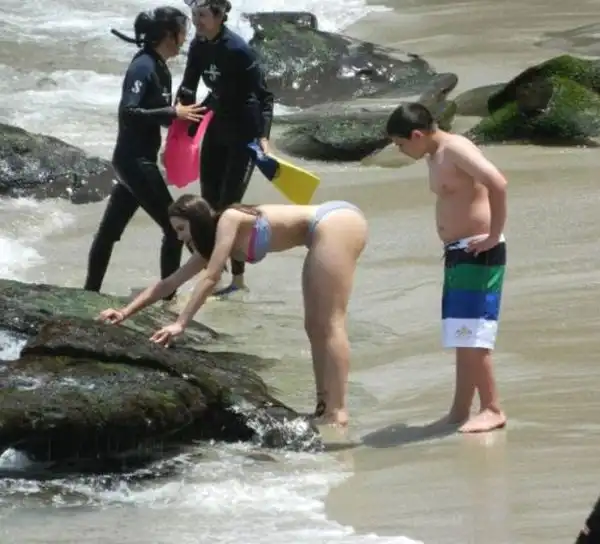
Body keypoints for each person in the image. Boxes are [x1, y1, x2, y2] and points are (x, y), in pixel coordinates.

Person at [97, 194, 368, 426]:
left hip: (334, 222)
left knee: (329, 324)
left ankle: (337, 412)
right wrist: (124, 312)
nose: (179, 237)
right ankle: (324, 408)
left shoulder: (229, 219)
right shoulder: (212, 245)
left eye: (181, 229)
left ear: (196, 220)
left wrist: (181, 323)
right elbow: (169, 283)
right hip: (323, 230)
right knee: (315, 326)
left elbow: (212, 277)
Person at [386, 102, 508, 433]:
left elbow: (498, 183)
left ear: (416, 135)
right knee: (461, 334)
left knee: (473, 334)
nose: (400, 151)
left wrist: (493, 235)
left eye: (400, 144)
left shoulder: (455, 149)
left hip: (478, 250)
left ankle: (493, 408)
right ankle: (459, 411)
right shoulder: (434, 154)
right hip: (459, 252)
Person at [84, 7, 205, 298]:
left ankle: (89, 292)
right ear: (168, 35)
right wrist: (173, 112)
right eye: (183, 30)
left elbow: (158, 117)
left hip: (138, 160)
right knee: (174, 228)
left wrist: (177, 124)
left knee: (109, 232)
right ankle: (167, 298)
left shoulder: (161, 68)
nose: (185, 37)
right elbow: (129, 111)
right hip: (133, 161)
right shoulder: (143, 67)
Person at [176, 0, 275, 297]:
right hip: (216, 127)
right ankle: (216, 275)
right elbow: (188, 88)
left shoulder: (239, 50)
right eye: (194, 15)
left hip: (244, 132)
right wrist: (179, 132)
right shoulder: (198, 45)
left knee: (230, 209)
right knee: (207, 207)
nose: (196, 21)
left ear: (220, 16)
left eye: (202, 15)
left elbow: (265, 97)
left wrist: (264, 137)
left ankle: (237, 280)